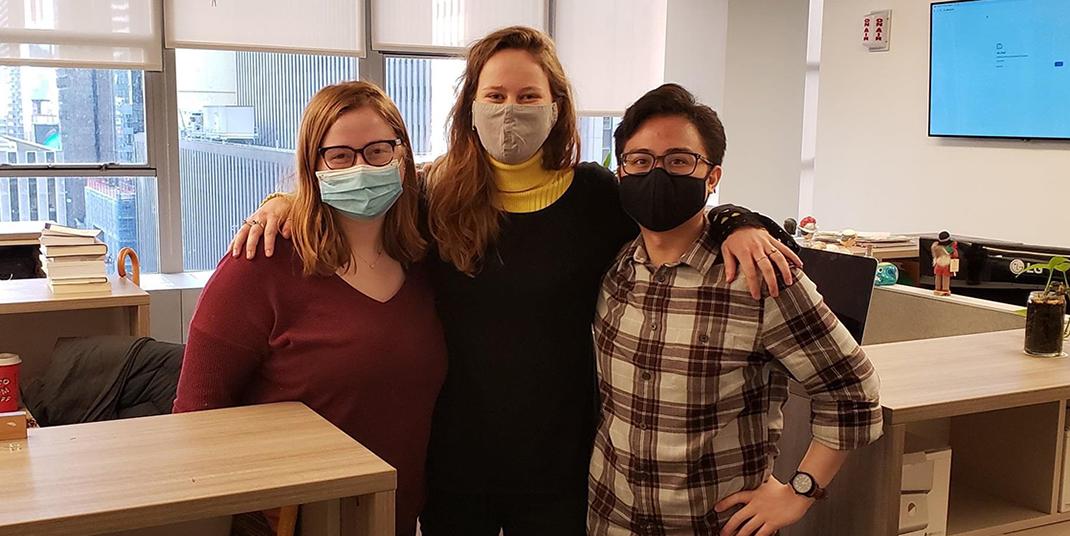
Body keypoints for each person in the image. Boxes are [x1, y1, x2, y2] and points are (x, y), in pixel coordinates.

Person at [233, 27, 801, 535]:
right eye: (496, 96)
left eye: (529, 96)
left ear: (556, 107)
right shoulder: (434, 196)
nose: (511, 111)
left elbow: (675, 210)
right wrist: (283, 201)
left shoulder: (598, 196)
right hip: (455, 464)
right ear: (471, 107)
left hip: (566, 464)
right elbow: (354, 194)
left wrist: (738, 221)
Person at [587, 84, 883, 536]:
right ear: (623, 172)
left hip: (715, 526)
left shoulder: (759, 278)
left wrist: (800, 490)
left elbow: (853, 391)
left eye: (679, 160)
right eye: (641, 160)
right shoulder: (614, 270)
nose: (658, 173)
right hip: (611, 519)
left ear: (712, 176)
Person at [173, 81, 448, 536]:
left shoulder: (426, 256)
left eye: (378, 151)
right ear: (313, 164)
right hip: (288, 523)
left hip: (390, 519)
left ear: (402, 156)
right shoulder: (259, 263)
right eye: (340, 156)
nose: (362, 168)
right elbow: (195, 421)